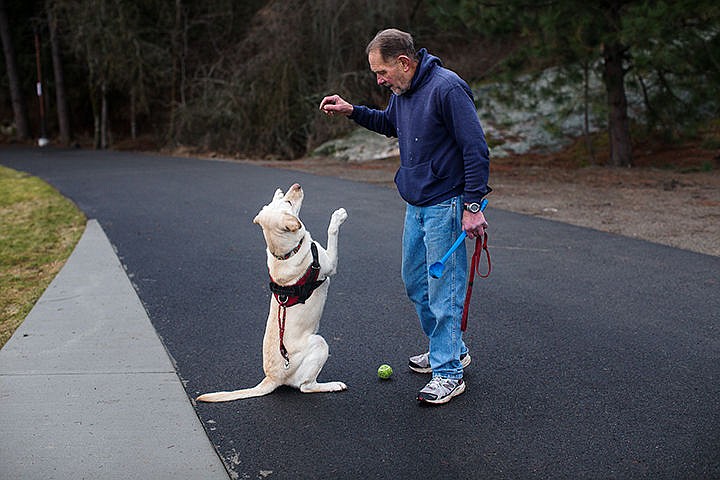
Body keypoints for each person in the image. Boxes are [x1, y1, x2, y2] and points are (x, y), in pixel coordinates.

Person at [319, 28, 491, 405]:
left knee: (443, 291)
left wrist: (473, 206)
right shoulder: (403, 93)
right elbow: (389, 124)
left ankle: (448, 372)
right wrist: (352, 111)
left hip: (446, 204)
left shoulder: (447, 89)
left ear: (404, 62)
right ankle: (451, 348)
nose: (379, 81)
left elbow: (476, 148)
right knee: (415, 282)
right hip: (416, 204)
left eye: (382, 73)